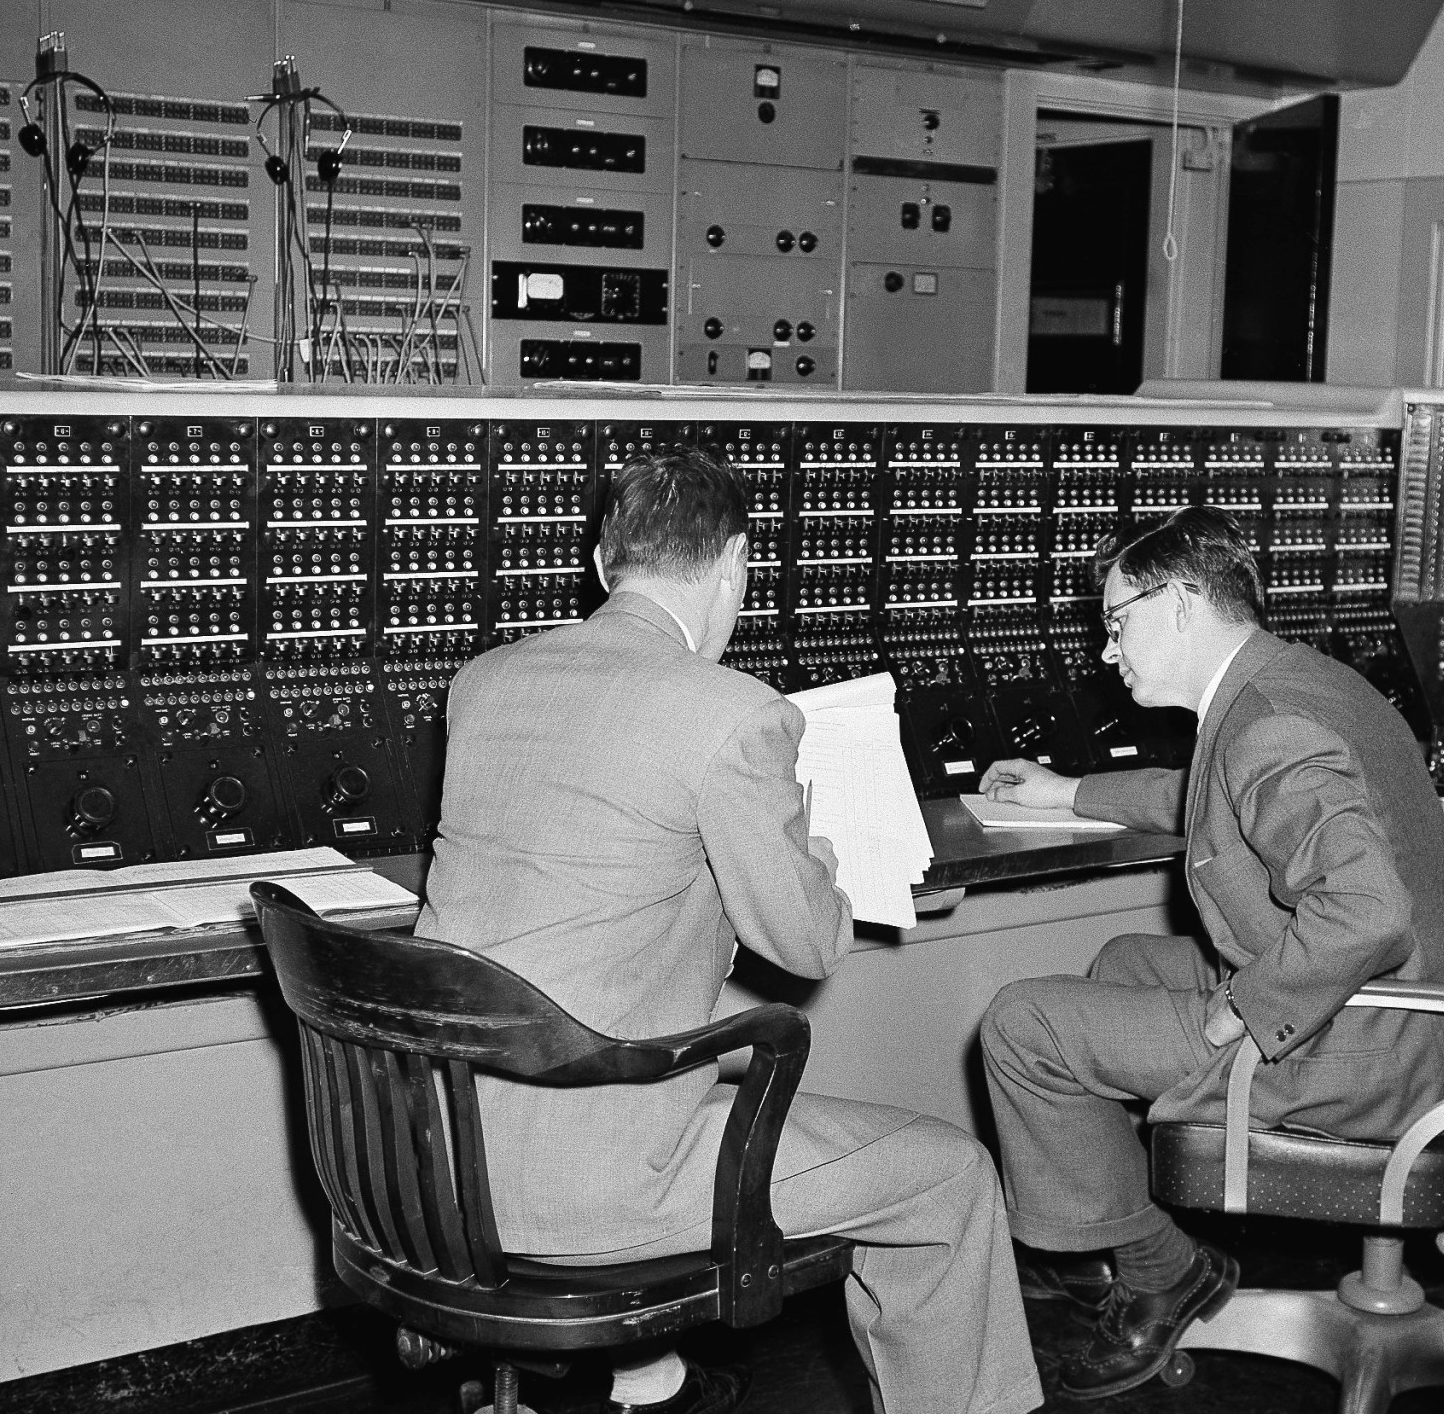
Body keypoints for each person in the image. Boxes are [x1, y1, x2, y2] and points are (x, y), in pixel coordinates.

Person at [416, 448, 1042, 1414]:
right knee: (949, 1181)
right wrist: (824, 851)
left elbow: (596, 883)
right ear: (735, 564)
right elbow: (809, 944)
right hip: (595, 1186)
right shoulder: (736, 716)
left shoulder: (486, 683)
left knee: (686, 1066)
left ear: (599, 565)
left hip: (436, 1163)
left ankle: (651, 1381)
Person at [974, 505, 1444, 1401]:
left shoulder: (1267, 722)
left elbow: (1367, 912)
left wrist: (1244, 1011)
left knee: (1021, 1024)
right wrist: (1069, 792)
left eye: (1116, 623)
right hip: (1432, 1023)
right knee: (1125, 965)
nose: (1109, 653)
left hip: (1373, 1048)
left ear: (1179, 602)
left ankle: (1156, 1263)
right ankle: (1118, 1231)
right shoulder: (1292, 684)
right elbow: (1217, 790)